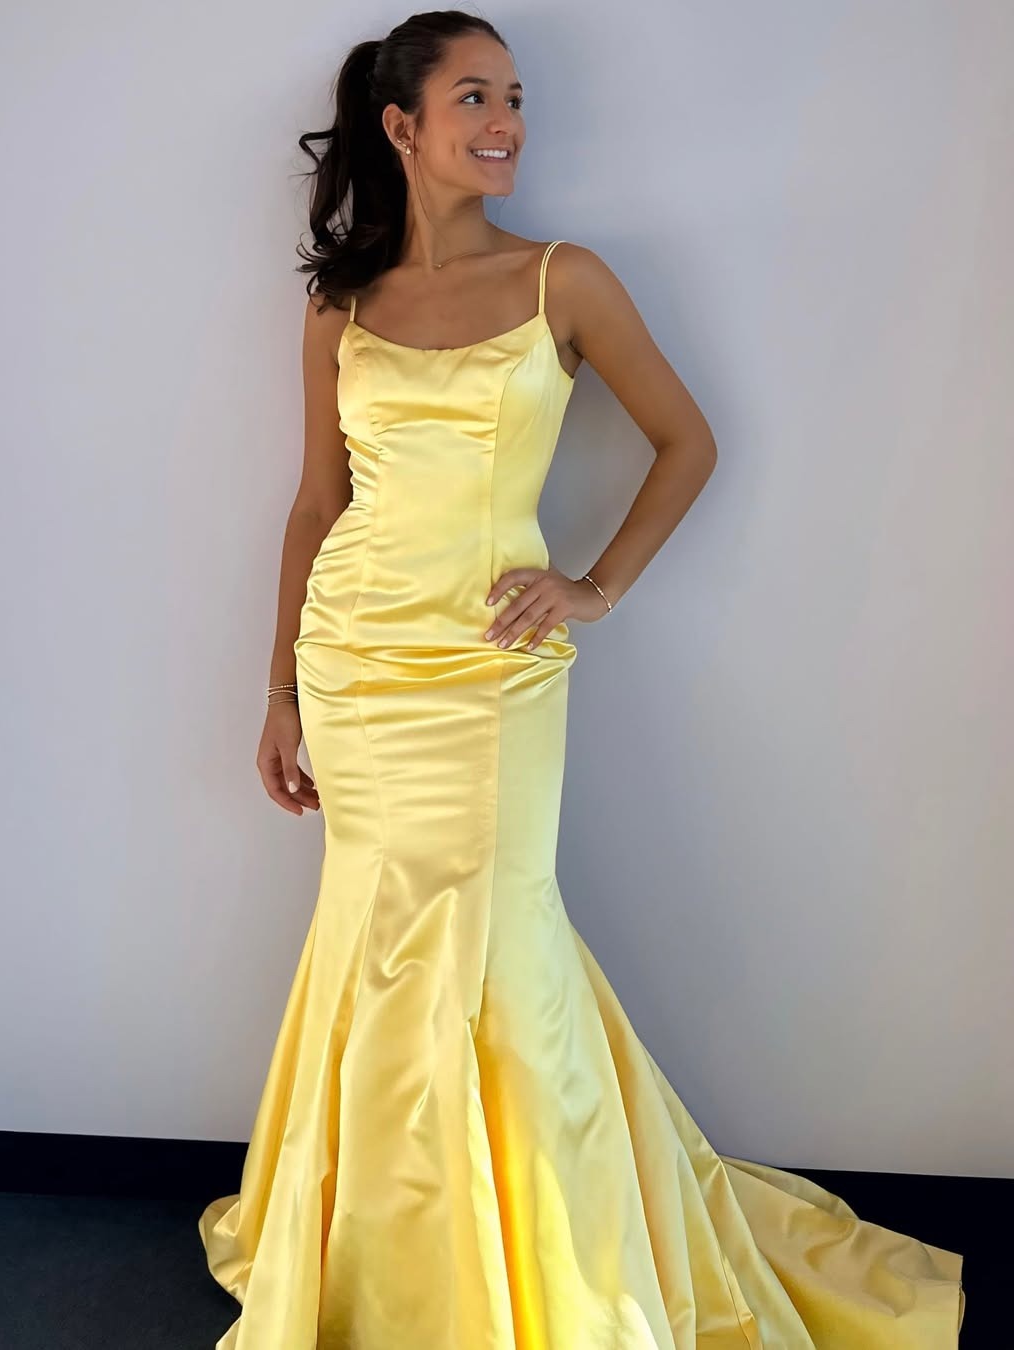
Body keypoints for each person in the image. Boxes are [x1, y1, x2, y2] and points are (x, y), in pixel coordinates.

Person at [198, 11, 965, 1348]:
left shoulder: (565, 279)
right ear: (401, 126)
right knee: (372, 939)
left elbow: (689, 441)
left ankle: (537, 1255)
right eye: (476, 97)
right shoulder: (338, 301)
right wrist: (279, 692)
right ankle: (382, 1255)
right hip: (357, 662)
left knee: (502, 947)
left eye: (516, 98)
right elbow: (316, 506)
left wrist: (593, 587)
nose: (507, 122)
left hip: (492, 672)